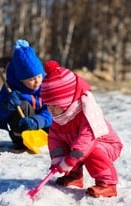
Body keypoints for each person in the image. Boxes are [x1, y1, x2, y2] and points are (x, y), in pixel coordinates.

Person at [40, 60, 123, 198]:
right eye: (48, 105)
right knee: (71, 146)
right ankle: (74, 176)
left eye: (55, 105)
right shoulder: (60, 117)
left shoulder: (87, 114)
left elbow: (86, 141)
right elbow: (55, 138)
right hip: (78, 148)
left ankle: (107, 184)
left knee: (92, 150)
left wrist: (69, 161)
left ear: (68, 100)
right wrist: (58, 159)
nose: (51, 110)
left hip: (106, 145)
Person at [0, 39, 52, 149]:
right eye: (31, 79)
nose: (37, 81)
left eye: (39, 76)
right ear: (21, 80)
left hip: (42, 130)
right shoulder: (10, 88)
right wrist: (7, 106)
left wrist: (36, 121)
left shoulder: (45, 87)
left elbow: (52, 111)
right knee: (22, 105)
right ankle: (20, 138)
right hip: (20, 133)